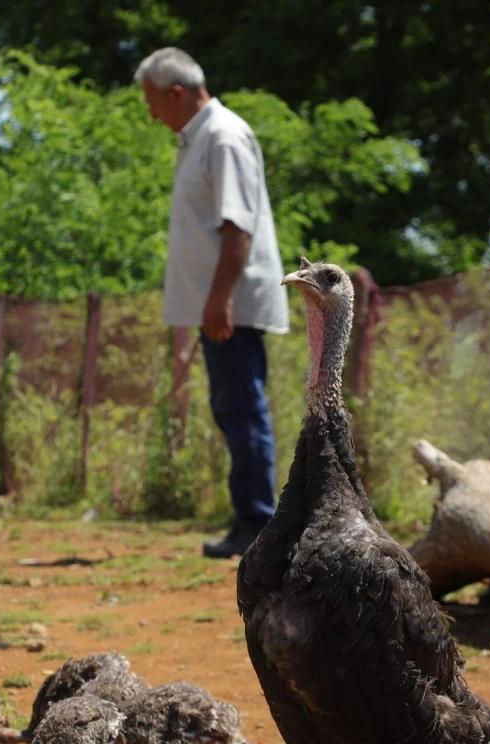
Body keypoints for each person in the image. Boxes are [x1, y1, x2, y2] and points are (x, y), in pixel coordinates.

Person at [138, 47, 289, 559]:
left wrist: (220, 297)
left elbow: (236, 225)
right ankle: (251, 518)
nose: (151, 114)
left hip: (231, 303)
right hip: (219, 301)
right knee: (232, 408)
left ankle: (258, 524)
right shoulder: (201, 137)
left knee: (242, 409)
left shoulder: (222, 137)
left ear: (176, 93)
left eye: (153, 103)